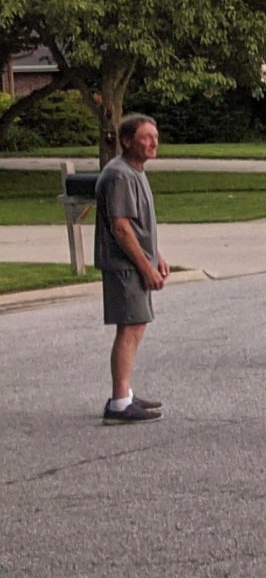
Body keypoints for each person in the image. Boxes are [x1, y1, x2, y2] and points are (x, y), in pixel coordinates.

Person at [95, 112, 168, 423]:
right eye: (145, 138)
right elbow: (122, 227)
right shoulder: (121, 175)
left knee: (135, 325)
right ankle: (120, 403)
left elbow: (139, 225)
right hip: (125, 265)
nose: (153, 143)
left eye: (155, 137)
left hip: (135, 262)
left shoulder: (134, 170)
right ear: (126, 141)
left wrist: (158, 256)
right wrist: (145, 268)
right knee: (131, 327)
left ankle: (124, 392)